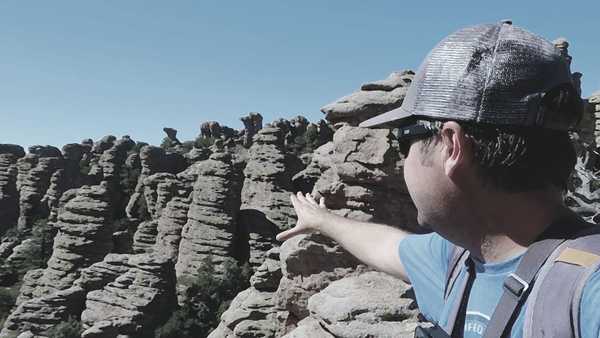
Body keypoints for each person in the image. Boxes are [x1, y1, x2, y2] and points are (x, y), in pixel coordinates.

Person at [276, 21, 600, 338]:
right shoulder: (458, 258)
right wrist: (321, 219)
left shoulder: (590, 295)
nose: (404, 159)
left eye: (403, 141)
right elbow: (387, 246)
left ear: (451, 145)